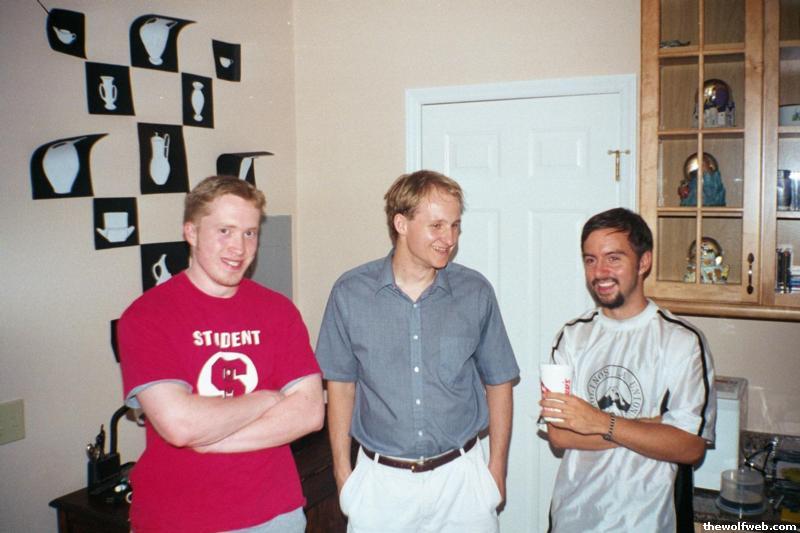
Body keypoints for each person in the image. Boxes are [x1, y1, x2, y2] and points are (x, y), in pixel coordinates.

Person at [315, 170, 520, 533]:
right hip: (381, 487)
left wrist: (496, 471)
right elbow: (341, 387)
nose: (449, 239)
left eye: (455, 226)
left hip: (462, 482)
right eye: (437, 226)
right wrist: (343, 476)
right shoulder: (350, 293)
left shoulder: (475, 292)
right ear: (401, 224)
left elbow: (499, 381)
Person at [118, 176, 324, 533]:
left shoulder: (278, 311)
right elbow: (181, 426)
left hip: (274, 514)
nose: (239, 248)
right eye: (225, 231)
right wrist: (266, 398)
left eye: (249, 233)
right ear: (191, 232)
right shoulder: (148, 316)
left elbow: (309, 413)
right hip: (177, 519)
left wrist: (211, 441)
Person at [540, 207, 716, 532]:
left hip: (647, 521)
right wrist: (653, 427)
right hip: (573, 518)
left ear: (643, 262)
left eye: (614, 258)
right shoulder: (572, 336)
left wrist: (597, 422)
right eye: (590, 259)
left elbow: (690, 447)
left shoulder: (681, 341)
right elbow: (559, 435)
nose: (599, 272)